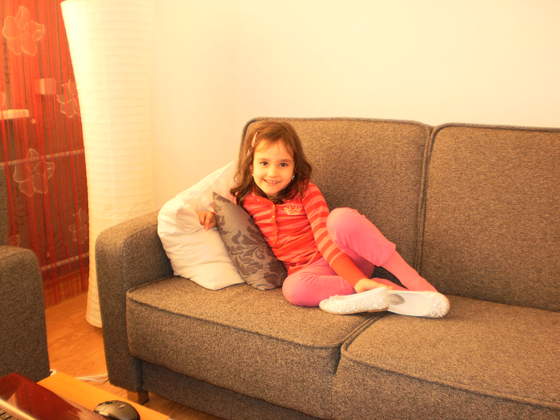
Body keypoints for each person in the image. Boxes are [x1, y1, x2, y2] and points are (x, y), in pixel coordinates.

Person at [198, 121, 449, 317]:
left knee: (341, 218)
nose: (272, 173)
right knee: (293, 289)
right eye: (264, 163)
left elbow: (324, 238)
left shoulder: (306, 191)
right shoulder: (242, 198)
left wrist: (356, 278)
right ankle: (377, 290)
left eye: (283, 164)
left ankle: (416, 284)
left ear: (294, 168)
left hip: (342, 257)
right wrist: (213, 214)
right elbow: (224, 209)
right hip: (314, 275)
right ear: (251, 166)